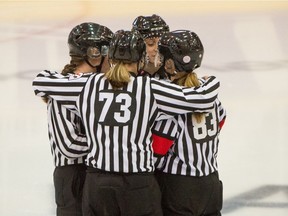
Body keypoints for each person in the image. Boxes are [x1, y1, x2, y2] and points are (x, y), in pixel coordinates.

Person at [32, 29, 220, 216]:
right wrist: (212, 81)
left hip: (98, 185)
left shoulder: (88, 84)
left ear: (111, 58)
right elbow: (201, 99)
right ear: (140, 61)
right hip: (138, 185)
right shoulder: (149, 87)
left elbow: (39, 82)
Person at [41, 22, 113, 216]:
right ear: (93, 54)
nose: (112, 59)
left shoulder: (98, 86)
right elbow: (67, 145)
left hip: (94, 171)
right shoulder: (62, 91)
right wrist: (112, 144)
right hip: (73, 175)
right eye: (107, 51)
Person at [152, 30, 226, 216]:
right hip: (210, 182)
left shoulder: (174, 100)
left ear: (169, 63)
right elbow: (221, 118)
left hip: (179, 186)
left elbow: (159, 147)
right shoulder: (207, 94)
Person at [132, 14, 174, 80]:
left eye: (161, 43)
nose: (157, 49)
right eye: (150, 44)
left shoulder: (173, 76)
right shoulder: (129, 77)